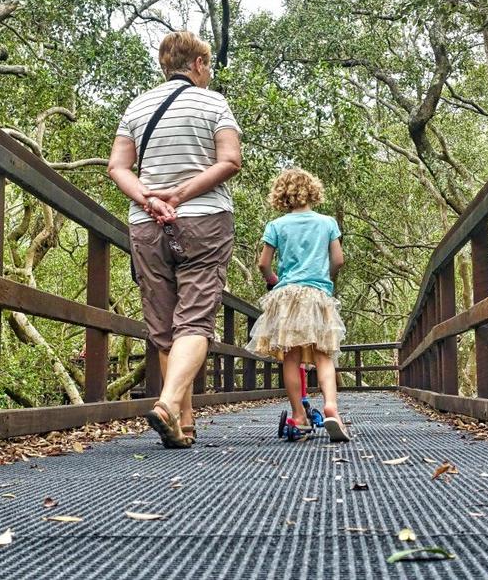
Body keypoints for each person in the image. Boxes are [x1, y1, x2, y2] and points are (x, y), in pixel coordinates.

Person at [107, 31, 242, 448]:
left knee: (164, 324)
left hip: (147, 226)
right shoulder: (213, 102)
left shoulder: (136, 106)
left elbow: (118, 167)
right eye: (209, 67)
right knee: (195, 320)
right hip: (203, 220)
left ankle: (184, 425)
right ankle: (168, 405)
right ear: (198, 64)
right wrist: (179, 196)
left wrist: (150, 199)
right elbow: (231, 160)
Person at [246, 168, 349, 442]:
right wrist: (324, 280)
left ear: (282, 195)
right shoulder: (328, 222)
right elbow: (338, 259)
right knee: (324, 355)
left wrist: (272, 279)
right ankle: (331, 408)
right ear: (313, 191)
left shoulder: (276, 226)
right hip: (317, 294)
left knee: (291, 358)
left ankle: (299, 417)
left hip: (287, 296)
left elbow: (263, 264)